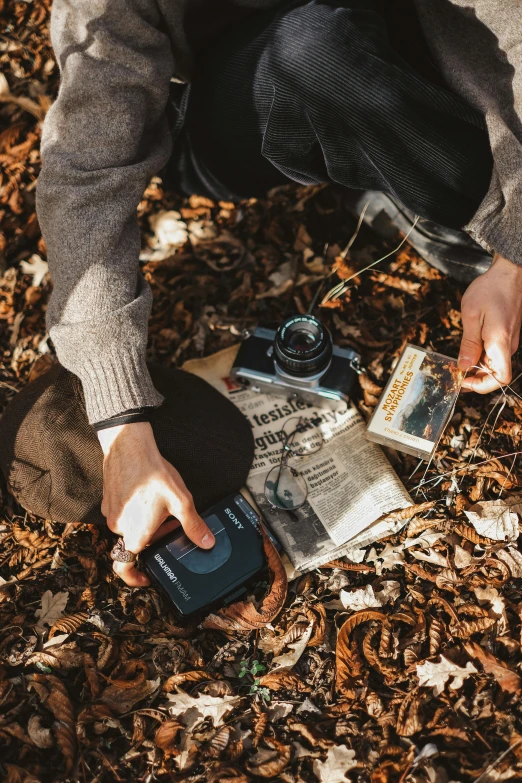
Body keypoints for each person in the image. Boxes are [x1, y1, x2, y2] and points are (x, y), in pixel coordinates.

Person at [30, 0, 522, 586]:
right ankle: (382, 173)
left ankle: (421, 195)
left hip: (410, 45)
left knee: (334, 47)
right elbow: (85, 170)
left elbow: (508, 33)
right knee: (315, 50)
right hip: (239, 98)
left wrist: (512, 253)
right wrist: (120, 426)